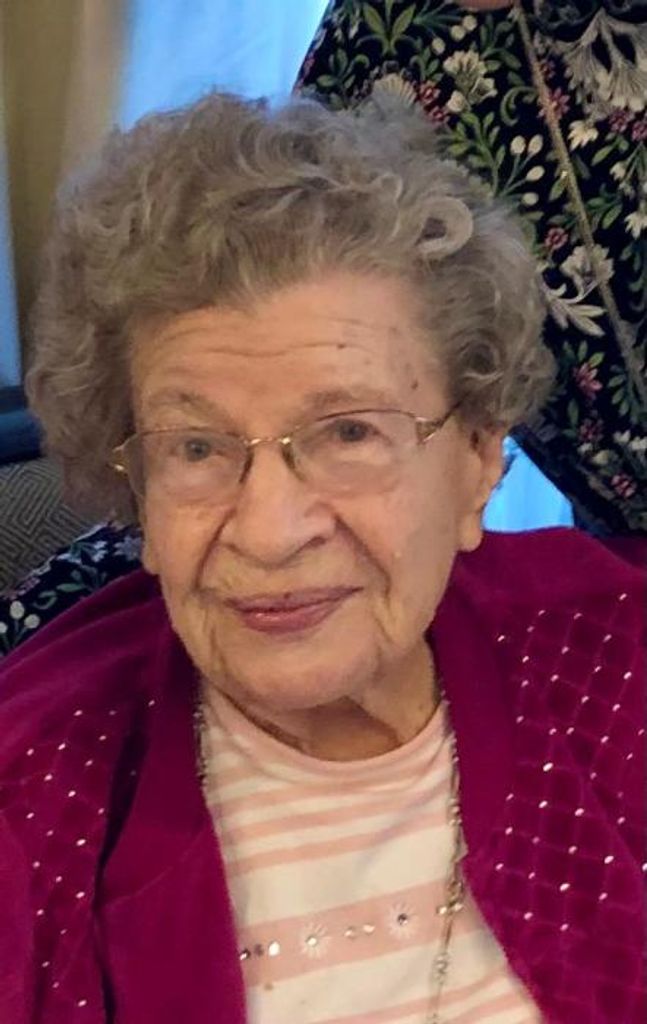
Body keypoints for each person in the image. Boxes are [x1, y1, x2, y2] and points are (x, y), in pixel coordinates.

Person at [0, 92, 643, 1024]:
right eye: (195, 447)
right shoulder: (33, 802)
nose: (269, 533)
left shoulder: (613, 660)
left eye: (348, 432)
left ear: (476, 461)